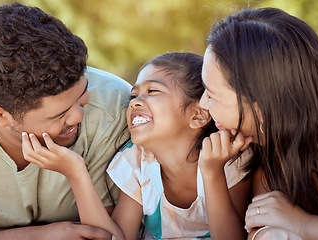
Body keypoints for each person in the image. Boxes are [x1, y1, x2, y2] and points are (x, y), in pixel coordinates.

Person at [23, 52, 254, 239]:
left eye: (152, 91)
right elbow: (112, 238)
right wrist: (75, 172)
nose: (135, 103)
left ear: (198, 115)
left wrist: (212, 172)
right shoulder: (137, 163)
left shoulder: (228, 159)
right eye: (133, 96)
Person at [0, 2, 131, 239]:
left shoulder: (116, 108)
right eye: (59, 114)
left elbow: (104, 232)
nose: (78, 115)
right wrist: (40, 235)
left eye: (82, 95)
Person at [199, 7, 318, 240]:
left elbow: (297, 227)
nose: (202, 104)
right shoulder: (277, 146)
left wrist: (303, 225)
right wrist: (211, 174)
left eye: (211, 94)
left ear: (260, 104)